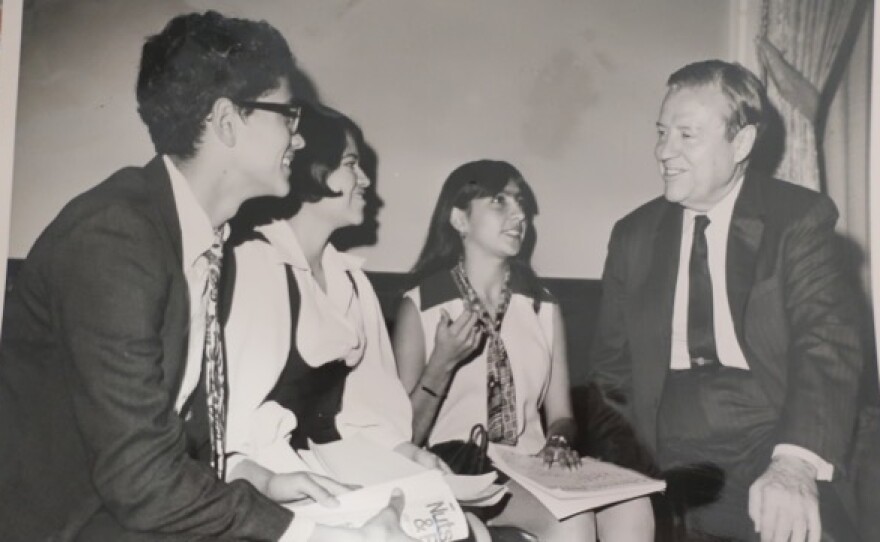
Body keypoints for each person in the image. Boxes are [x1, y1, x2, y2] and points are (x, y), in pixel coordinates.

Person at [0, 11, 412, 541]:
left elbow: (179, 439)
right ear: (226, 121)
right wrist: (309, 534)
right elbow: (142, 480)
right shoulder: (115, 240)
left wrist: (254, 475)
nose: (301, 139)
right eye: (288, 115)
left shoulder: (201, 239)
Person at [587, 59, 863, 541]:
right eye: (661, 132)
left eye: (686, 135)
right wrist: (624, 471)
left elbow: (827, 346)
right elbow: (612, 375)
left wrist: (794, 464)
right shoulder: (632, 236)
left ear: (742, 144)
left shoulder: (796, 219)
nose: (663, 152)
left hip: (768, 427)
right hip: (662, 428)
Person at [392, 160, 655, 542]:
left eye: (521, 203)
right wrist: (441, 364)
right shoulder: (422, 306)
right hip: (455, 470)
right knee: (569, 519)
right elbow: (403, 436)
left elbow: (562, 415)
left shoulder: (542, 306)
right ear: (459, 219)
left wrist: (559, 439)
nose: (519, 214)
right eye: (499, 201)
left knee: (634, 504)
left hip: (531, 466)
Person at [224, 102, 445, 486]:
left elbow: (367, 414)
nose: (364, 180)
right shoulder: (257, 263)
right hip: (265, 482)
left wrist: (408, 454)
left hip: (332, 471)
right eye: (350, 163)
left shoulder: (352, 282)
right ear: (313, 169)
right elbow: (231, 431)